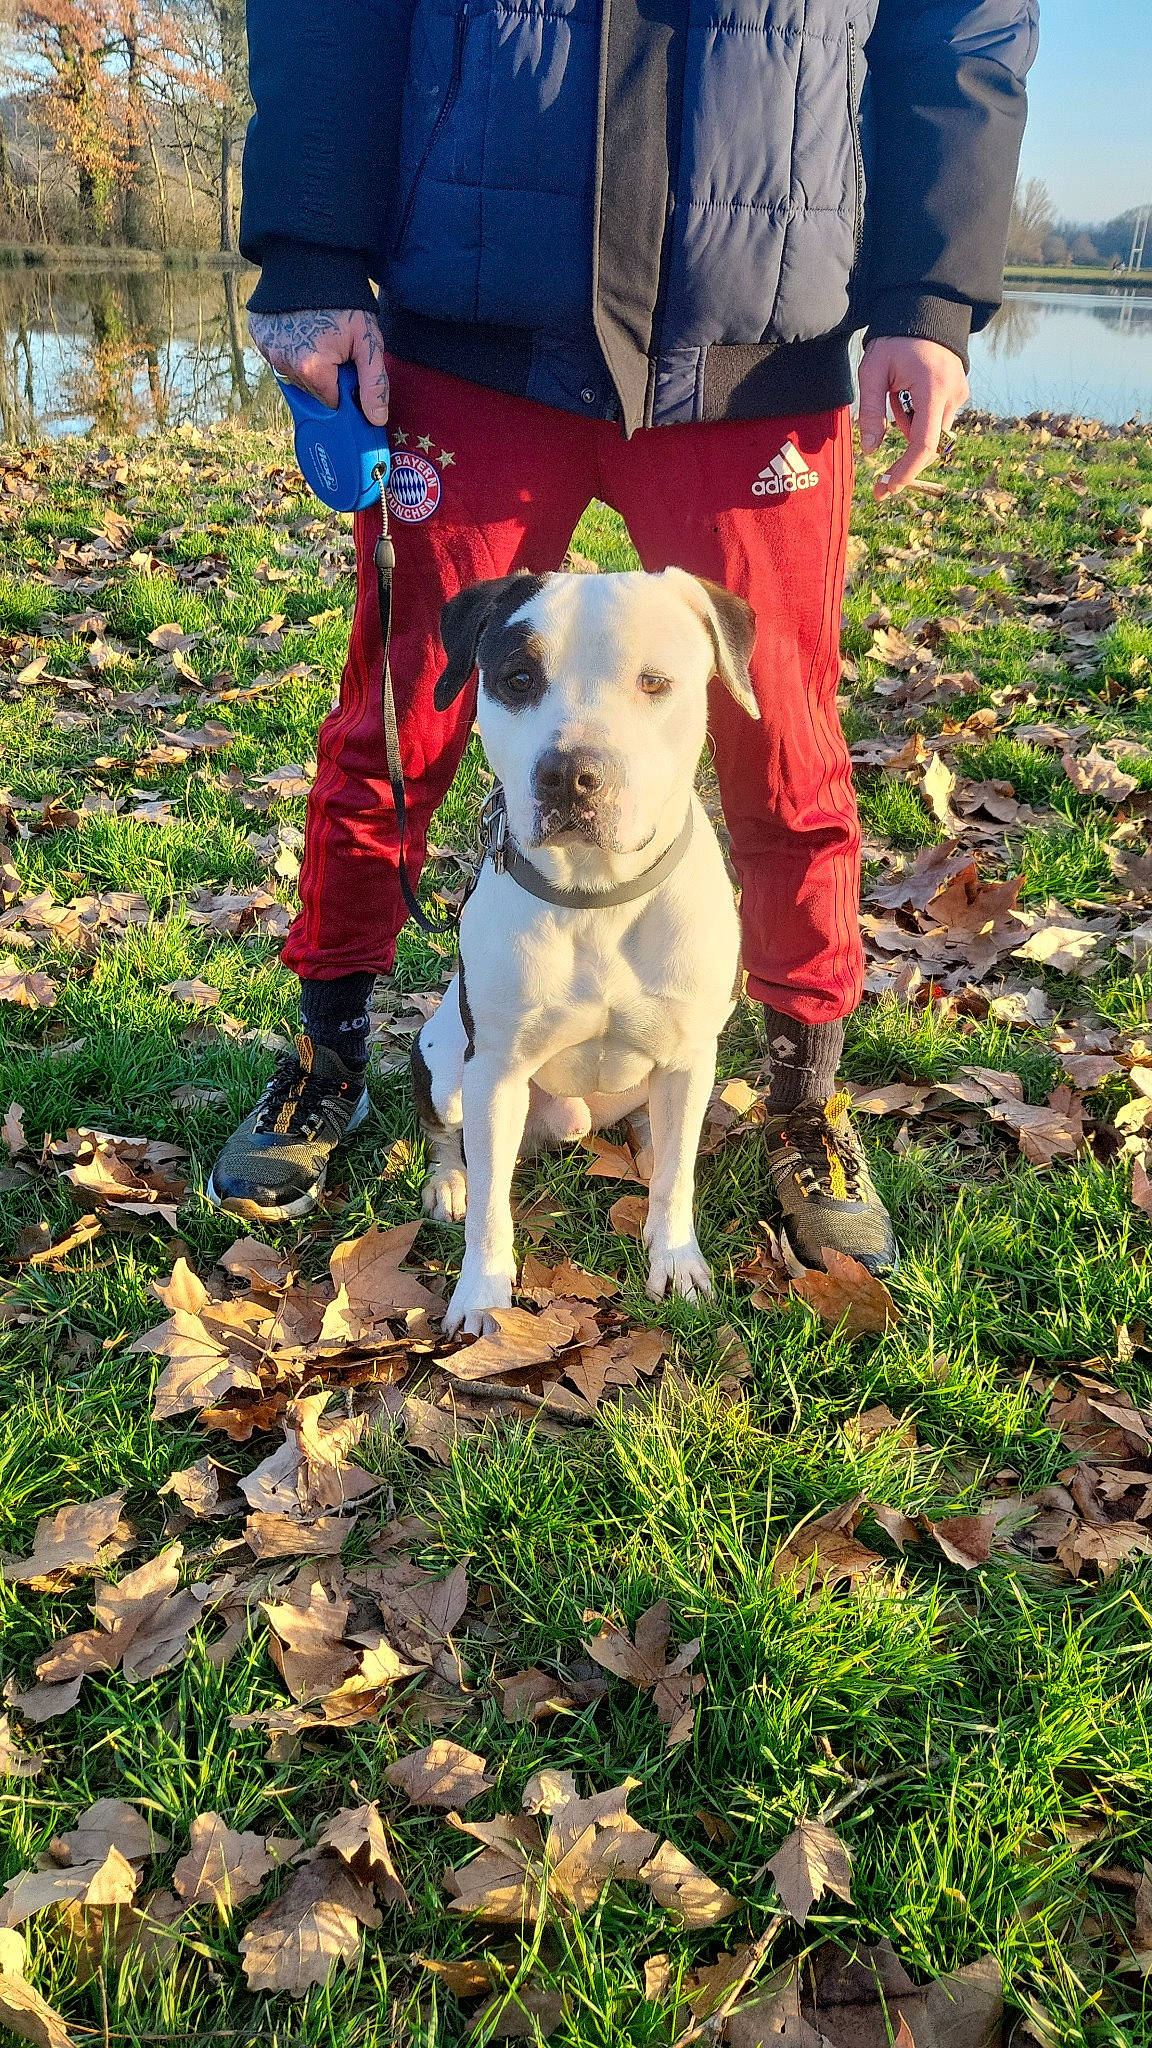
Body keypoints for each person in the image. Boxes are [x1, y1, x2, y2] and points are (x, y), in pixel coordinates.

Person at [210, 0, 1037, 1271]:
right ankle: (330, 1049)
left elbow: (965, 22)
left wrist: (930, 284)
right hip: (480, 293)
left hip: (760, 319)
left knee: (784, 739)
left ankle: (803, 1092)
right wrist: (314, 245)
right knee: (403, 714)